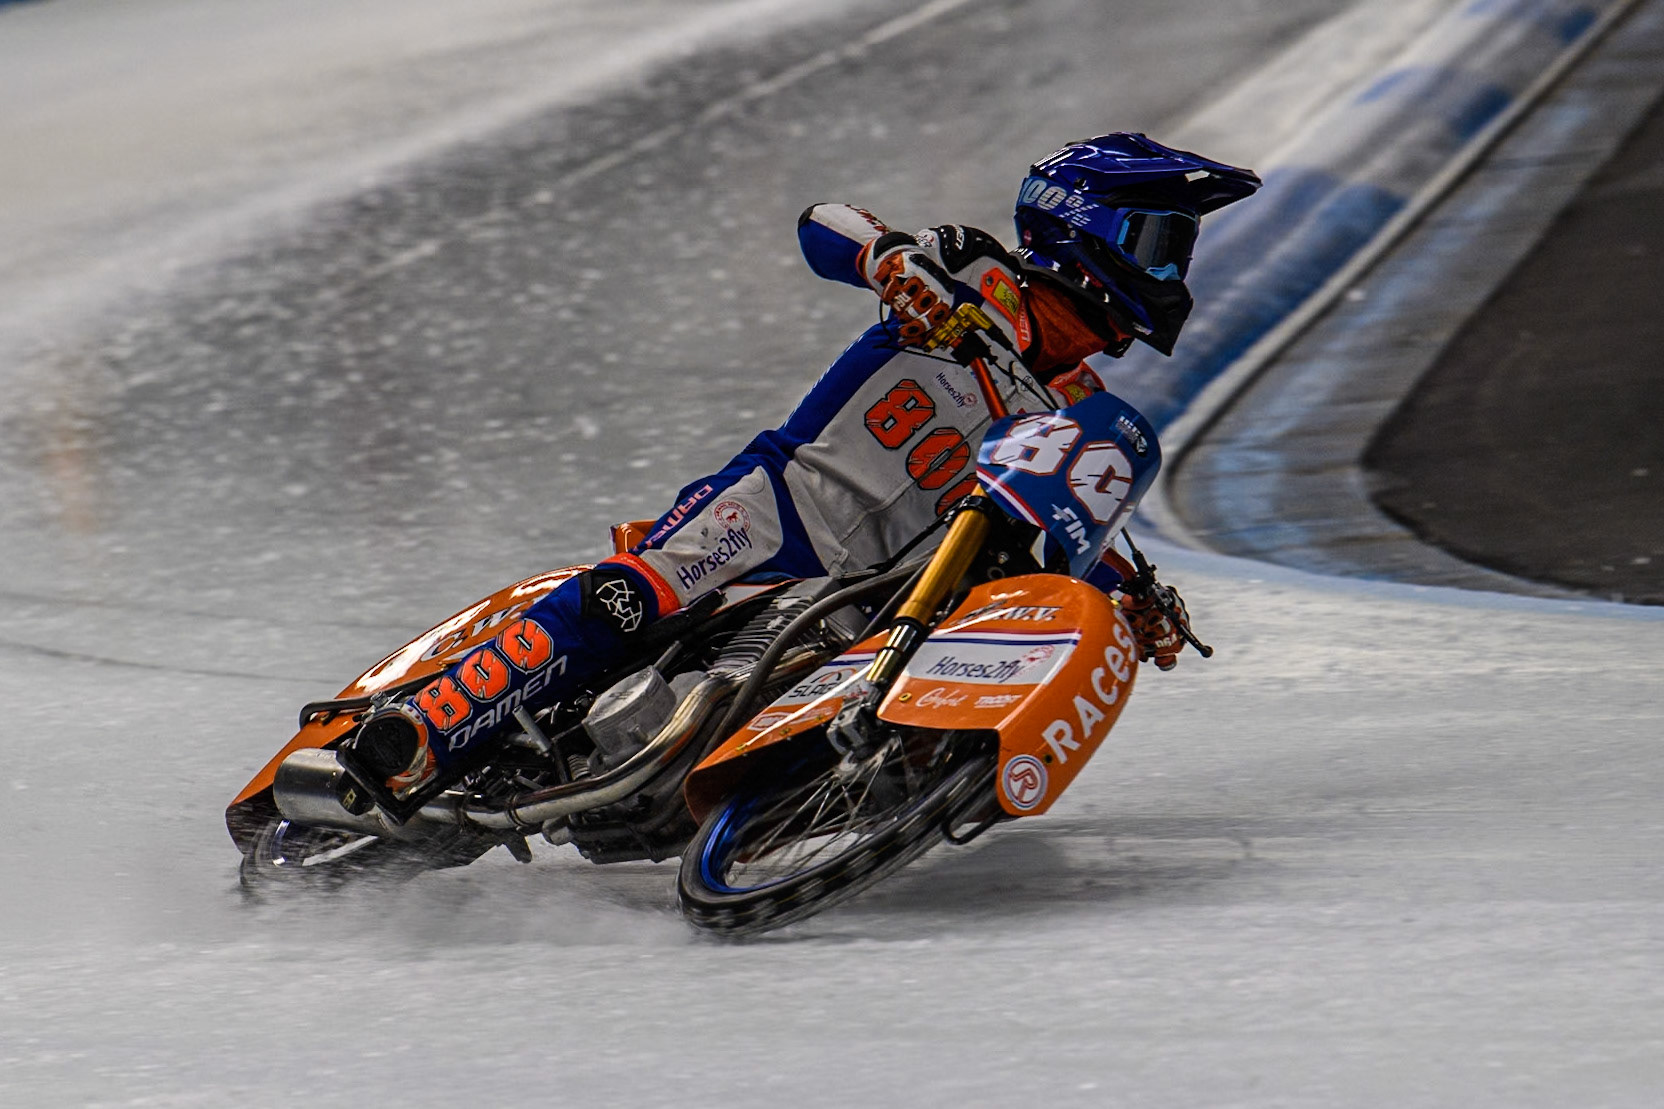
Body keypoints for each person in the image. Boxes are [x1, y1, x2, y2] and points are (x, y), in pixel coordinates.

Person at [344, 132, 1261, 815]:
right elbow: (824, 222)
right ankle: (421, 728)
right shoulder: (976, 274)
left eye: (1176, 251)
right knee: (630, 598)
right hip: (780, 506)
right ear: (1083, 226)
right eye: (1157, 243)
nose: (1170, 270)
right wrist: (889, 261)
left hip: (879, 584)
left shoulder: (1078, 406)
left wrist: (1128, 591)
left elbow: (1052, 519)